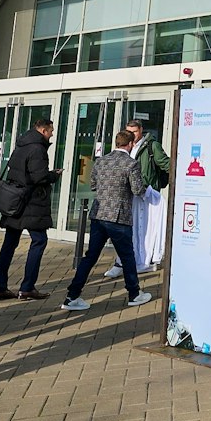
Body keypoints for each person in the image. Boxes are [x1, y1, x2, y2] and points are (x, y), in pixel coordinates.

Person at [63, 131, 156, 312]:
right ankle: (134, 293)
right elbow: (138, 190)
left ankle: (72, 295)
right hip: (119, 217)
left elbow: (93, 185)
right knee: (128, 256)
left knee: (90, 257)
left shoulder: (101, 161)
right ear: (129, 144)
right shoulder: (131, 164)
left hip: (99, 214)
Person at [0, 117, 58, 302]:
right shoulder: (38, 149)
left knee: (9, 244)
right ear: (43, 130)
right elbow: (39, 177)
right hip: (31, 203)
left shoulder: (21, 145)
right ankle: (27, 287)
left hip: (14, 202)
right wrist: (53, 175)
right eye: (51, 130)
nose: (52, 133)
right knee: (39, 240)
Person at [111, 117, 170, 278]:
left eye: (134, 132)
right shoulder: (126, 147)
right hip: (128, 195)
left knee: (144, 230)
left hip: (146, 193)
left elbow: (166, 164)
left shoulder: (151, 146)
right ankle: (121, 262)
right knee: (127, 230)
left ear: (141, 130)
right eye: (128, 132)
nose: (131, 135)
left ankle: (145, 261)